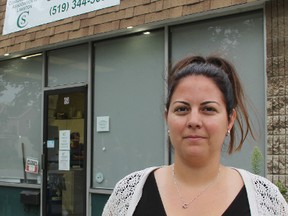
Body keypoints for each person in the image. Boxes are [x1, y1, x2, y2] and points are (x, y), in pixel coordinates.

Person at [102, 55, 288, 215]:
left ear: (230, 119)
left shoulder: (266, 202)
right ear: (167, 117)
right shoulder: (129, 194)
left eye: (208, 109)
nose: (194, 121)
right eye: (182, 109)